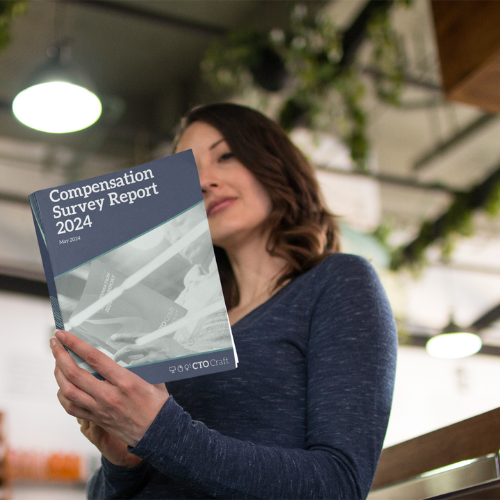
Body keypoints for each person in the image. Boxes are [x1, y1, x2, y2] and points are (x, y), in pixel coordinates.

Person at [50, 103, 397, 500]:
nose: (203, 182)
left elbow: (340, 485)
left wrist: (159, 431)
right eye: (187, 174)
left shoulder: (337, 283)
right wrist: (122, 463)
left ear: (276, 163)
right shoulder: (180, 319)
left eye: (226, 156)